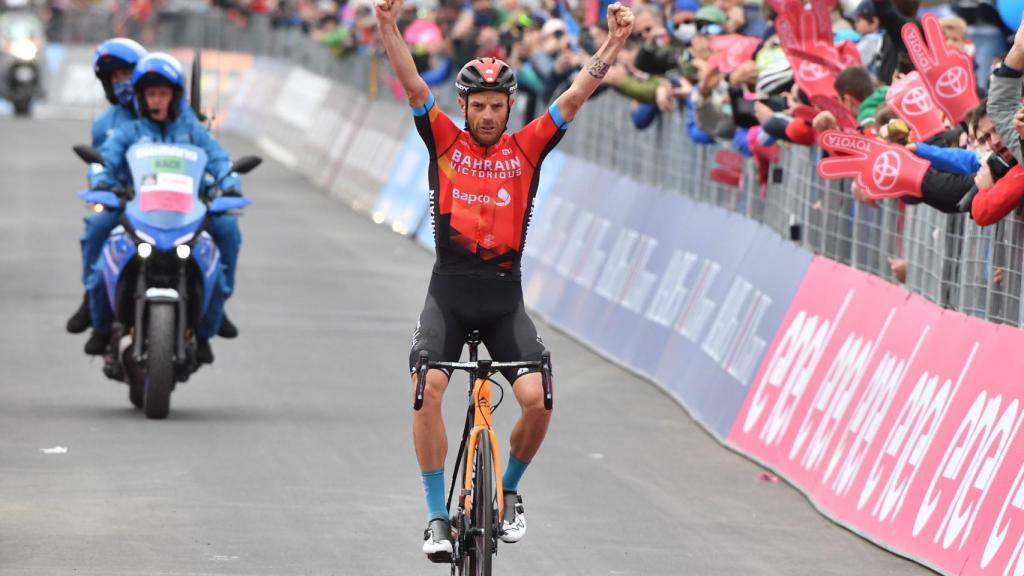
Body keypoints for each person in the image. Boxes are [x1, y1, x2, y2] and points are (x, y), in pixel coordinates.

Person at [375, 0, 634, 561]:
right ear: (464, 106)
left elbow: (575, 95)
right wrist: (388, 26)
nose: (488, 115)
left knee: (539, 401)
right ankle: (437, 518)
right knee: (428, 393)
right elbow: (414, 83)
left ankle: (509, 489)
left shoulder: (528, 148)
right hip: (449, 293)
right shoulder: (444, 141)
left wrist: (612, 42)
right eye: (479, 106)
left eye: (497, 106)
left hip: (502, 299)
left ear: (510, 107)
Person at [84, 52, 243, 364]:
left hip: (188, 214)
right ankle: (101, 327)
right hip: (137, 212)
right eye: (151, 94)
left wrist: (228, 183)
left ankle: (209, 326)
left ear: (176, 96)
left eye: (163, 93)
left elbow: (220, 158)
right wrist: (102, 180)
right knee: (103, 265)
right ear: (142, 97)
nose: (157, 100)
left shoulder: (193, 128)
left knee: (227, 232)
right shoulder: (128, 131)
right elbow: (106, 160)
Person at [65, 38, 148, 336]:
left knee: (217, 232)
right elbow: (99, 161)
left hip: (167, 204)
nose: (122, 82)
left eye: (127, 73)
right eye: (115, 77)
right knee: (97, 226)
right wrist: (101, 185)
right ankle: (93, 301)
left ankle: (207, 319)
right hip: (123, 202)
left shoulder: (167, 113)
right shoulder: (105, 124)